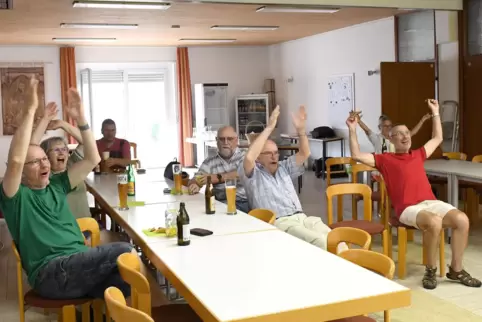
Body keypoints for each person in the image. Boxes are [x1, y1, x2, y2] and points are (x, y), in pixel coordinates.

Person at [0, 77, 132, 300]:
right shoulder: (16, 197)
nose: (44, 164)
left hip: (77, 266)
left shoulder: (58, 185)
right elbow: (15, 159)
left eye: (44, 159)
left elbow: (93, 158)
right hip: (51, 272)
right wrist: (31, 110)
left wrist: (81, 119)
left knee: (124, 283)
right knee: (124, 251)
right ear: (21, 172)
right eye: (35, 162)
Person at [347, 99, 481, 290]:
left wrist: (435, 112)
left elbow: (437, 138)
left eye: (407, 132)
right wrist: (353, 129)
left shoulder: (418, 154)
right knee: (434, 222)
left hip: (430, 202)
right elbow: (357, 155)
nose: (404, 136)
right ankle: (430, 269)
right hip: (407, 208)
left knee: (462, 220)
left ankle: (456, 270)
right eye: (398, 133)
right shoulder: (384, 159)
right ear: (391, 139)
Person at [239, 105, 346, 252]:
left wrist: (301, 130)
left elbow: (305, 152)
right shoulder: (252, 173)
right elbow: (249, 157)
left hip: (302, 218)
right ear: (258, 157)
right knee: (320, 242)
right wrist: (270, 127)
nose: (274, 156)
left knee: (337, 241)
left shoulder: (284, 167)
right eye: (268, 153)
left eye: (276, 153)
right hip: (279, 222)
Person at [30, 102, 122, 245]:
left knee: (123, 238)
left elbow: (87, 144)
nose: (62, 152)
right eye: (56, 150)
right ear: (45, 157)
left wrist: (63, 124)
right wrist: (44, 121)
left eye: (64, 149)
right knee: (124, 242)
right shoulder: (46, 178)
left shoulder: (73, 165)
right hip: (74, 235)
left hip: (89, 227)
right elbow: (31, 150)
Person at [188, 126, 249, 213]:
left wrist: (217, 177)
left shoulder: (245, 156)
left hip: (243, 203)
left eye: (230, 139)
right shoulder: (209, 162)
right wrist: (194, 184)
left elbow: (243, 172)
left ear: (236, 140)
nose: (225, 142)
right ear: (217, 141)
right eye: (222, 139)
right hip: (219, 204)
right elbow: (195, 179)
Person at [356, 113, 431, 154]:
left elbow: (412, 132)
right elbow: (367, 130)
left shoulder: (396, 137)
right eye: (385, 126)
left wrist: (422, 120)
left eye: (390, 126)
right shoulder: (376, 138)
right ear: (380, 127)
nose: (388, 128)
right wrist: (358, 121)